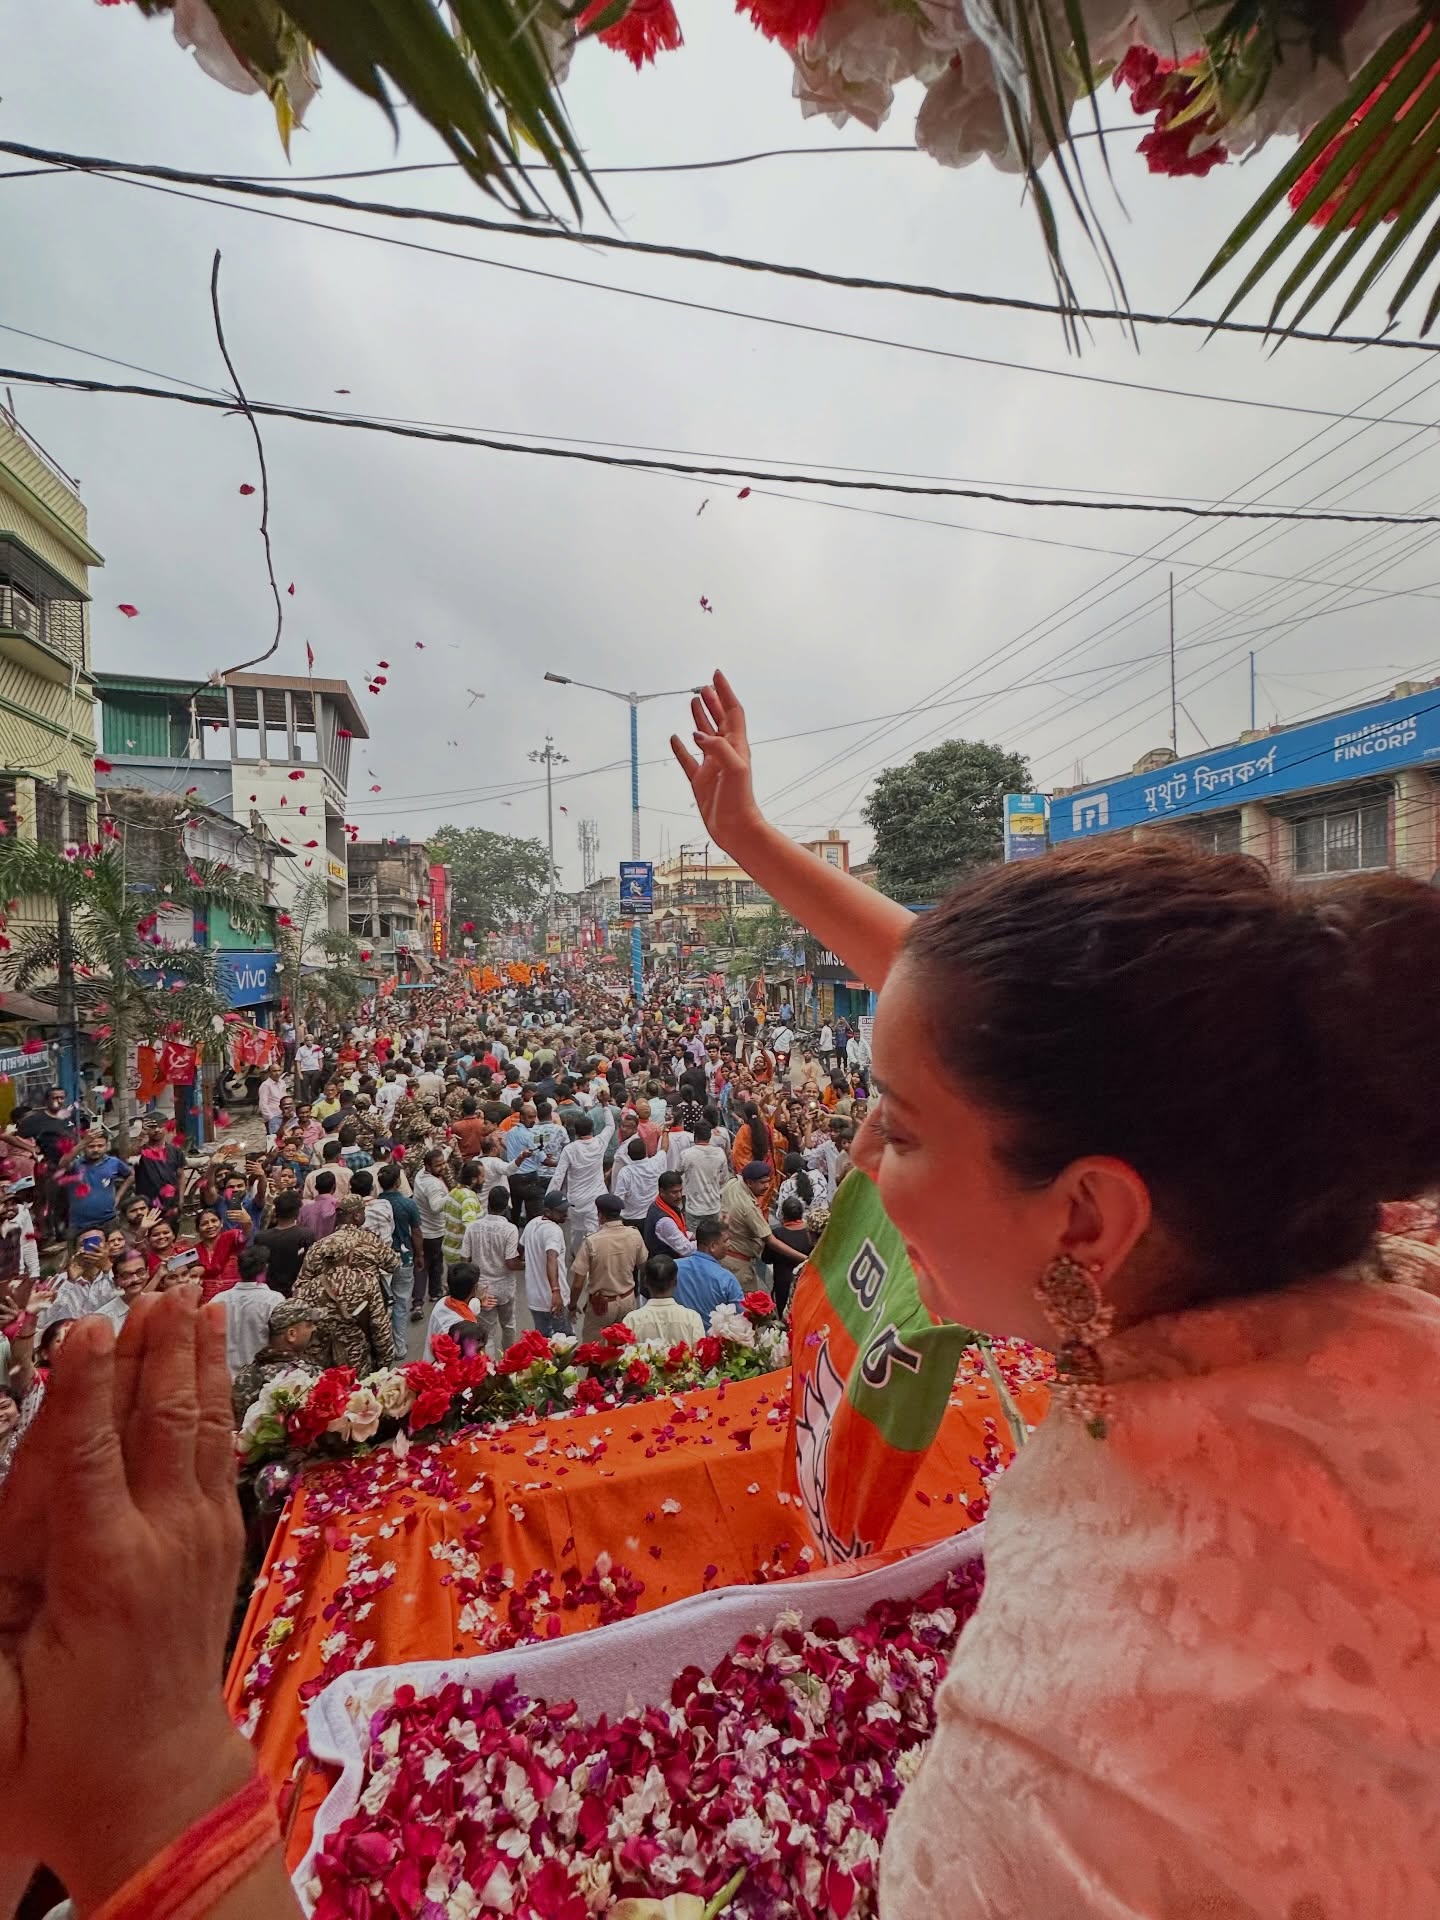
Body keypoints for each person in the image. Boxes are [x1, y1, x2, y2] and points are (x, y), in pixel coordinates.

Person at [667, 665, 1440, 1917]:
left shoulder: (1070, 1740)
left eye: (900, 1131)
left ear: (1088, 1214)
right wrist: (751, 841)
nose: (860, 1160)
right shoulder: (1358, 1280)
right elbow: (996, 1028)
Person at [292, 1198, 396, 1376]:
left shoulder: (318, 1247)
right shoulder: (367, 1242)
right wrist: (385, 1361)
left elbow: (300, 1288)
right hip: (357, 1343)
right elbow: (393, 1264)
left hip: (321, 1350)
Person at [231, 1295, 321, 1424]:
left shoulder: (246, 1375)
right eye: (308, 1325)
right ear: (291, 1334)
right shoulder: (307, 1375)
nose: (314, 1329)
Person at [569, 1191, 646, 1337]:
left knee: (594, 1348)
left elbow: (578, 1283)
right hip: (628, 1300)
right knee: (624, 1347)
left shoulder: (591, 1242)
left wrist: (573, 1305)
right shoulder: (634, 1234)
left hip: (601, 1305)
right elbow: (643, 1265)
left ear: (600, 1215)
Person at [459, 1185, 522, 1357]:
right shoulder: (509, 1229)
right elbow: (510, 1262)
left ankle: (490, 1369)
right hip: (505, 1288)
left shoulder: (473, 1227)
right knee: (508, 1324)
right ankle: (510, 1362)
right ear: (506, 1206)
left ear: (488, 1203)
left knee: (488, 1333)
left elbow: (464, 1259)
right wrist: (525, 1264)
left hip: (482, 1289)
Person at [720, 1161, 804, 1289]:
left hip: (726, 1255)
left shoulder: (734, 1183)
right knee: (748, 1304)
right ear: (749, 1182)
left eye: (768, 1181)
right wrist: (805, 1259)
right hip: (739, 1264)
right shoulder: (748, 1207)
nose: (767, 1186)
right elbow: (771, 1241)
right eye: (762, 1183)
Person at [376, 1161, 425, 1340]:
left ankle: (384, 1341)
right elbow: (417, 1232)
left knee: (383, 1302)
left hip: (381, 1260)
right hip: (404, 1257)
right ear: (398, 1182)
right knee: (401, 1302)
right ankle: (399, 1343)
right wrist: (419, 1254)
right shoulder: (408, 1204)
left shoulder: (374, 1205)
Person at [220, 1245, 285, 1376]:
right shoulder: (274, 1300)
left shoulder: (219, 1299)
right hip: (259, 1377)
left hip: (225, 1376)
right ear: (265, 1268)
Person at [59, 1130, 132, 1242]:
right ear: (84, 1147)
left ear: (107, 1145)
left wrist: (118, 1196)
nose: (96, 1149)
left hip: (108, 1221)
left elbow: (131, 1175)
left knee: (112, 1255)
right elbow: (62, 1164)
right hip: (80, 1224)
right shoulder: (75, 1165)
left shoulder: (114, 1162)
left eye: (100, 1146)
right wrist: (82, 1143)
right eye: (91, 1146)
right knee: (79, 1257)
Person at [550, 1113, 607, 1254]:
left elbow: (558, 1176)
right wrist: (605, 1106)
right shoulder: (600, 1143)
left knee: (576, 1230)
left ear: (575, 1132)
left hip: (575, 1199)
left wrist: (550, 1199)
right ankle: (591, 1262)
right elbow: (611, 1126)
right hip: (595, 1198)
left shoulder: (570, 1149)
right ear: (592, 1130)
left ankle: (577, 1256)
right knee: (593, 1231)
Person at [624, 1253, 705, 1347]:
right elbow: (700, 1355)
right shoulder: (692, 1318)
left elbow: (624, 1358)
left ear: (645, 1282)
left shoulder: (632, 1320)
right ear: (675, 1282)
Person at [520, 1191, 570, 1336]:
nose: (565, 1214)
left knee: (543, 1344)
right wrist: (556, 1291)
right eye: (561, 1211)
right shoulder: (554, 1231)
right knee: (564, 1344)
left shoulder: (531, 1224)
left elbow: (520, 1249)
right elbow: (551, 1258)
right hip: (554, 1300)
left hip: (535, 1299)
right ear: (548, 1211)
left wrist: (529, 1263)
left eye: (566, 1209)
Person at [251, 1188, 314, 1298]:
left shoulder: (262, 1237)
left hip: (268, 1292)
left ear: (276, 1212)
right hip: (297, 1293)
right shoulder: (306, 1235)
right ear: (297, 1212)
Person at [413, 1146, 451, 1308]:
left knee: (427, 1265)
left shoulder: (421, 1175)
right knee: (432, 1264)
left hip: (423, 1231)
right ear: (428, 1166)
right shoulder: (432, 1184)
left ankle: (421, 1300)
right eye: (438, 1165)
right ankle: (430, 1296)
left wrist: (449, 1147)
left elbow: (441, 1158)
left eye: (443, 1163)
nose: (442, 1167)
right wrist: (453, 1195)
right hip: (434, 1232)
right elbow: (436, 1206)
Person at [424, 1259, 480, 1360]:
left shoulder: (444, 1302)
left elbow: (471, 1306)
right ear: (474, 1288)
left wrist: (480, 1301)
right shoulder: (459, 1329)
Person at [610, 1131, 666, 1229]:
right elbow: (664, 1149)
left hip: (630, 1219)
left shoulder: (625, 1172)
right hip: (652, 1216)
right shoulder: (655, 1164)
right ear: (645, 1151)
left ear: (629, 1155)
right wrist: (666, 1130)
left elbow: (619, 1198)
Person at [769, 1194, 813, 1314]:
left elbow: (766, 1258)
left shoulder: (777, 1234)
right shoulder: (810, 1233)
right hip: (805, 1282)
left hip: (783, 1285)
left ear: (783, 1215)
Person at [679, 1118, 729, 1220]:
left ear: (695, 1135)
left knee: (694, 1235)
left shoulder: (686, 1154)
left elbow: (677, 1173)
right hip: (714, 1206)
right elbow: (724, 1179)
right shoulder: (719, 1153)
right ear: (709, 1136)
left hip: (694, 1208)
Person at [642, 1169, 697, 1259]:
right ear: (662, 1192)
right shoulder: (664, 1220)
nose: (679, 1196)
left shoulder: (660, 1204)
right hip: (665, 1267)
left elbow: (675, 1233)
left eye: (680, 1191)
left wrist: (692, 1236)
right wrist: (705, 1242)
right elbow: (686, 1249)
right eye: (674, 1192)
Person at [443, 1158, 486, 1271]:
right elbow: (470, 1228)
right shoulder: (469, 1198)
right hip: (460, 1256)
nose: (484, 1180)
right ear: (473, 1179)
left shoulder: (455, 1191)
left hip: (450, 1250)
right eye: (482, 1176)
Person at [297, 1168, 339, 1243]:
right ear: (334, 1187)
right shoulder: (337, 1206)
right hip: (332, 1248)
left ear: (316, 1187)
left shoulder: (304, 1209)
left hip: (310, 1250)